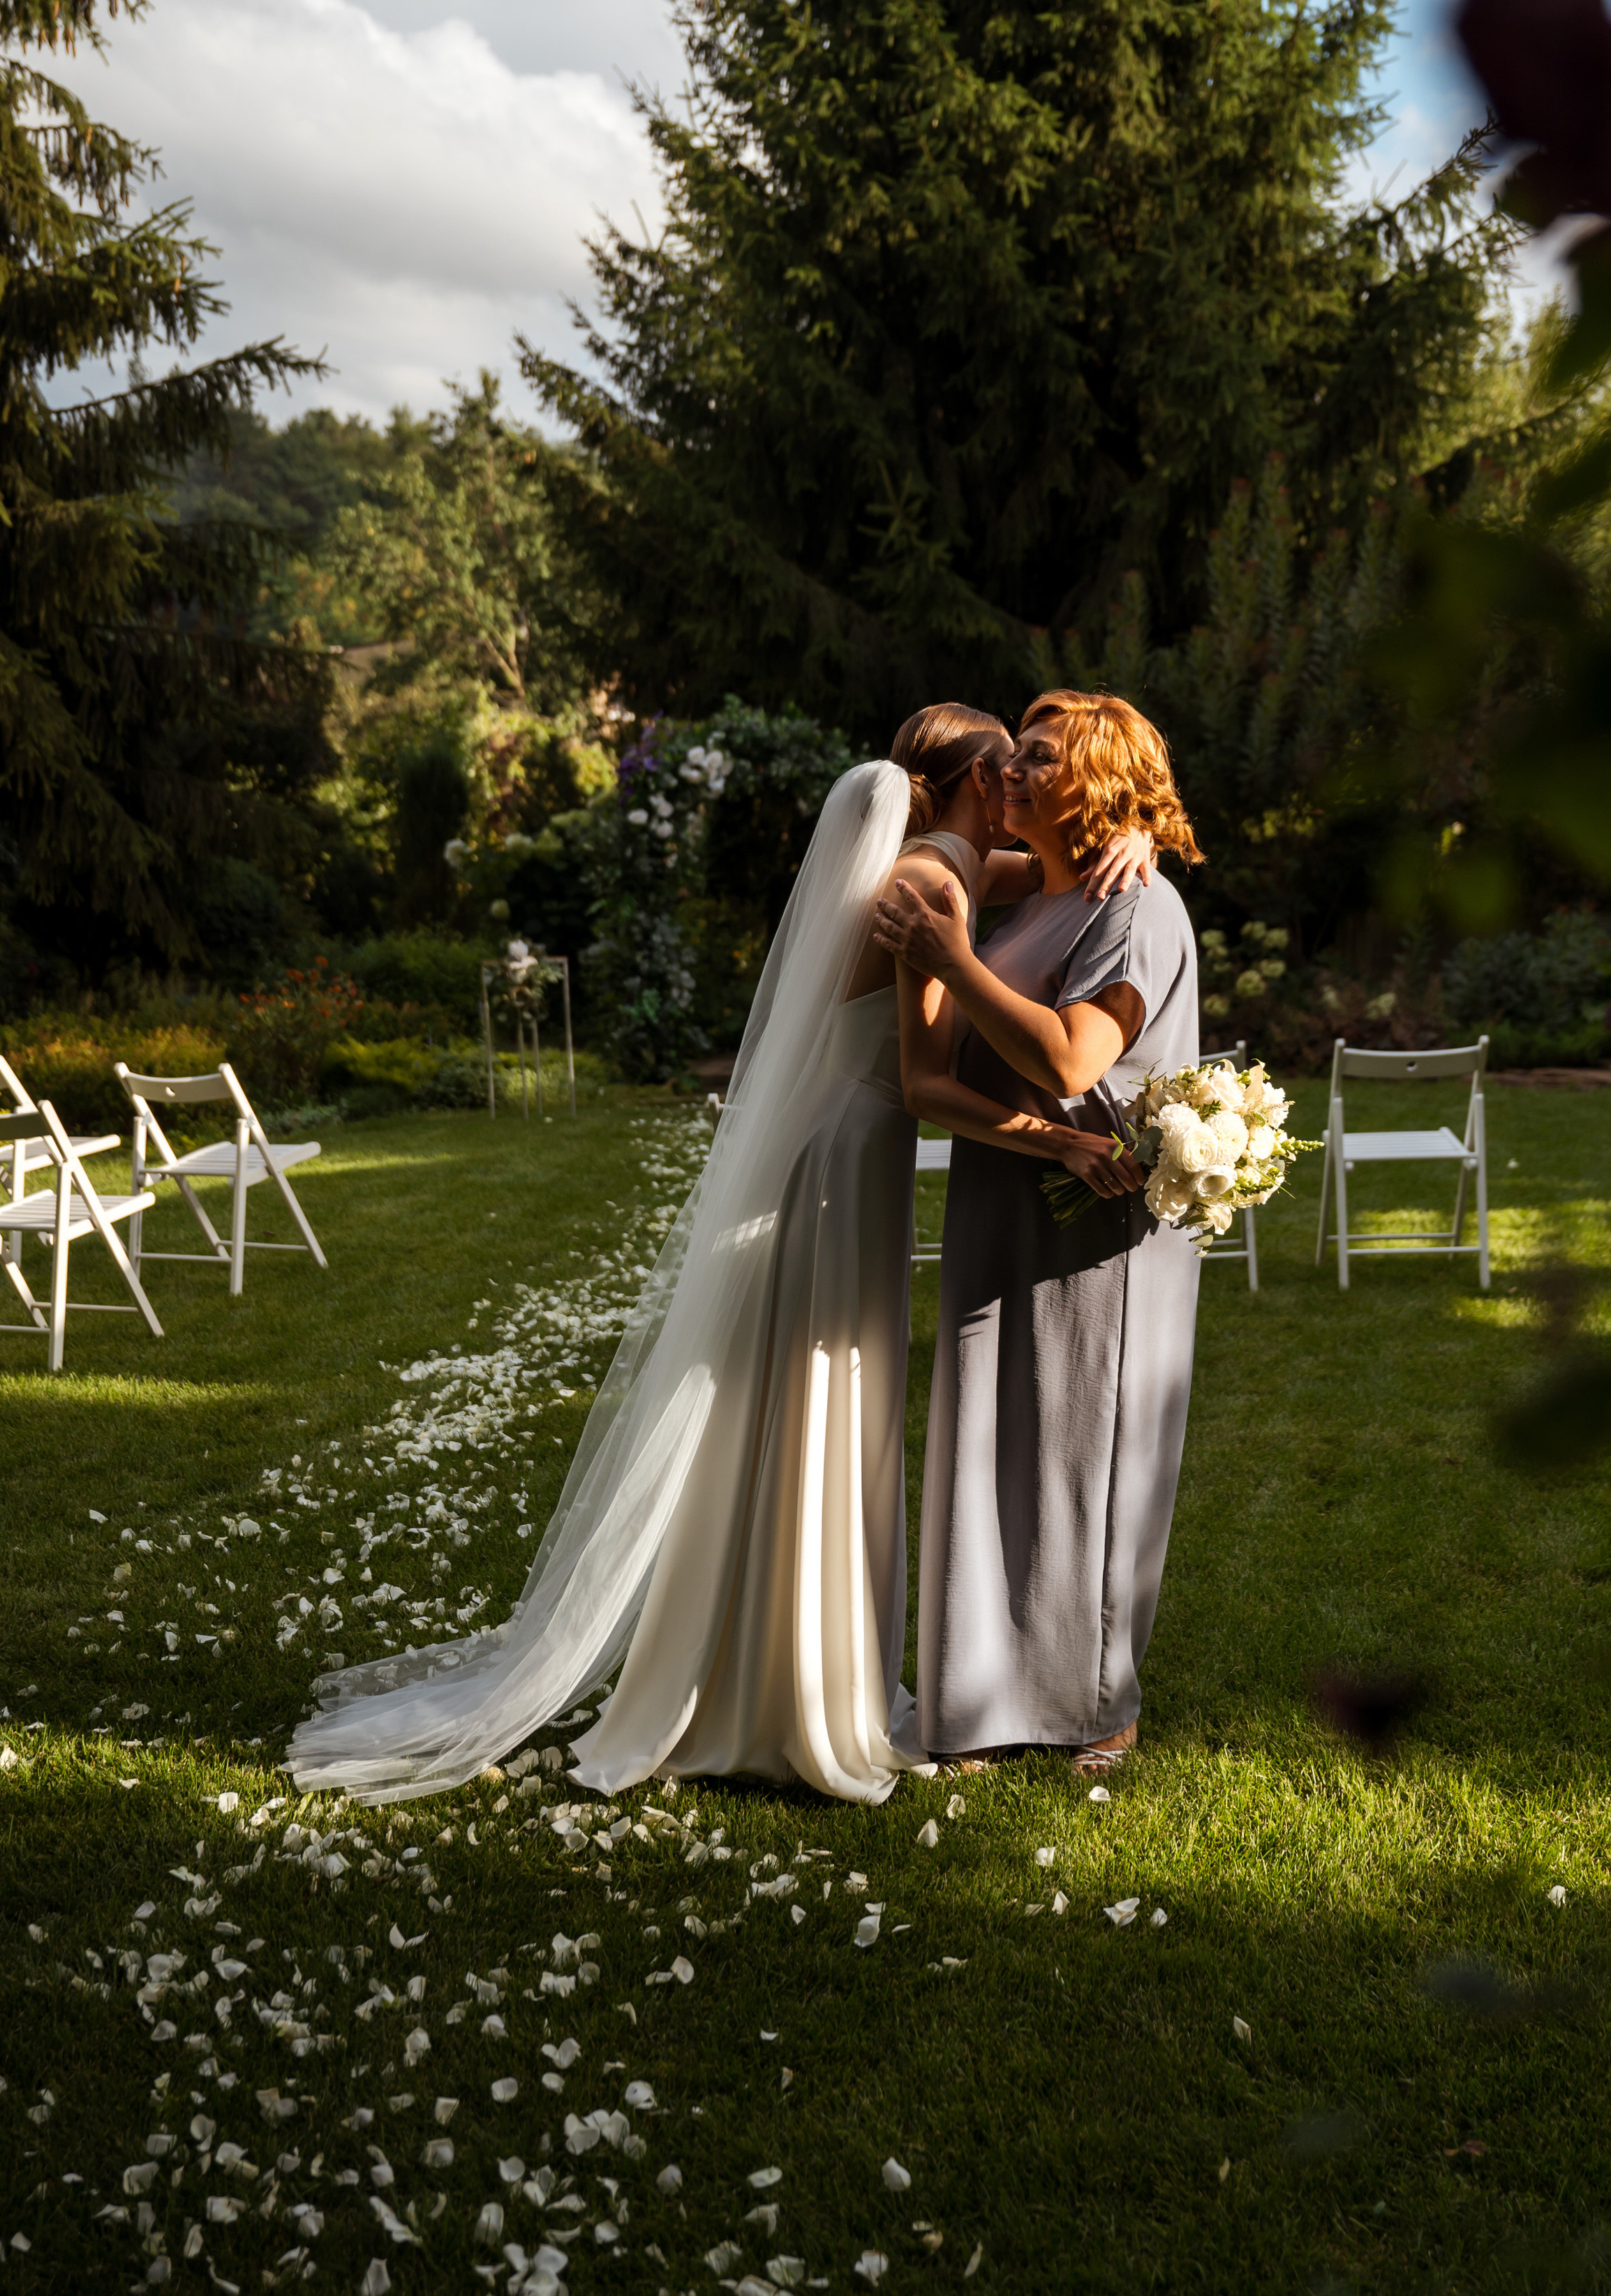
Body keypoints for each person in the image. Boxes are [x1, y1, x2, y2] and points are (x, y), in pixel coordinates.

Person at [286, 705, 1150, 1806]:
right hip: (849, 1164)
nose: (1026, 783)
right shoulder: (930, 886)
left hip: (837, 1153)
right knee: (820, 1404)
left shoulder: (948, 861)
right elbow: (931, 1084)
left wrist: (1145, 839)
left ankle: (755, 1660)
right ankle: (794, 1693)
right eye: (1011, 767)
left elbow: (1067, 865)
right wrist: (1067, 1140)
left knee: (789, 1406)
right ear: (978, 781)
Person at [873, 689, 1203, 1777]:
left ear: (1100, 786)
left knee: (1083, 1452)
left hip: (1095, 1216)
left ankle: (1096, 1702)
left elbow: (1072, 1062)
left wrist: (950, 959)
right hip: (1001, 1192)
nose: (1009, 772)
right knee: (985, 1437)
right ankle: (978, 1699)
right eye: (1010, 758)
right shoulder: (1019, 898)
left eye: (1040, 759)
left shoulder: (1136, 906)